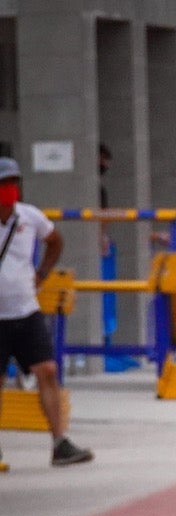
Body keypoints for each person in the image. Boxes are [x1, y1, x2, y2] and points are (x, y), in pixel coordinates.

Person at [0, 156, 93, 470]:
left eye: (12, 184)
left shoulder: (29, 217)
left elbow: (55, 241)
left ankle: (59, 443)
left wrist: (41, 274)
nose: (9, 190)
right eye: (3, 185)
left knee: (48, 372)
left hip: (26, 311)